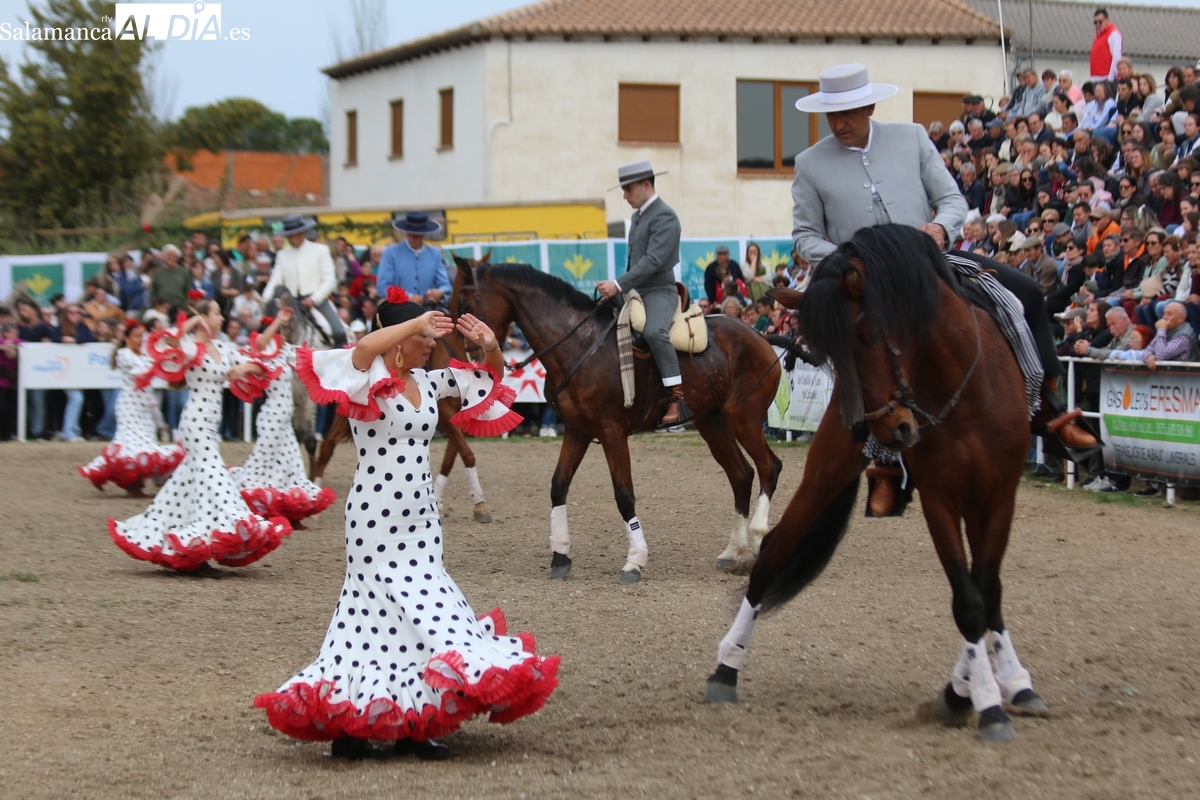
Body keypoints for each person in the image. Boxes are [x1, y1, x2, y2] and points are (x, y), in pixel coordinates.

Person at [255, 288, 556, 760]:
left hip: (421, 518)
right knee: (371, 613)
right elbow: (363, 348)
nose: (432, 344)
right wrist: (413, 324)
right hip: (375, 517)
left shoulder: (429, 381)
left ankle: (416, 720)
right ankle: (354, 724)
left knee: (411, 616)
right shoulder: (365, 376)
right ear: (399, 338)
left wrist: (491, 346)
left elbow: (488, 381)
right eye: (424, 336)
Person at [791, 63, 1097, 515]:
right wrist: (846, 258)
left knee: (1024, 296)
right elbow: (803, 237)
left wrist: (938, 227)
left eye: (849, 113)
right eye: (832, 115)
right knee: (872, 356)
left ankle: (1046, 405)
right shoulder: (809, 162)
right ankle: (884, 467)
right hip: (861, 283)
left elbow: (953, 200)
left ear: (870, 106)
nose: (840, 124)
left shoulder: (912, 137)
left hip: (926, 262)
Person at [107, 296, 292, 573]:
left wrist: (242, 368)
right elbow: (166, 341)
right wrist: (194, 321)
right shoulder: (191, 348)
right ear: (204, 318)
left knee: (188, 482)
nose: (222, 318)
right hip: (195, 424)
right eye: (217, 313)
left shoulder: (222, 347)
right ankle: (204, 541)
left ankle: (173, 539)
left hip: (209, 425)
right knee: (215, 481)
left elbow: (261, 364)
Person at [597, 160, 687, 424]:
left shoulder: (665, 216)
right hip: (635, 289)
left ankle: (676, 398)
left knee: (653, 332)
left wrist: (618, 283)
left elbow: (654, 261)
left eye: (628, 189)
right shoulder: (638, 216)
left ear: (646, 185)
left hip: (660, 290)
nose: (625, 196)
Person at [229, 307, 336, 526]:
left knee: (292, 465)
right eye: (280, 330)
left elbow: (313, 356)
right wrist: (278, 319)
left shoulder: (286, 351)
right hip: (272, 419)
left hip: (284, 420)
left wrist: (341, 354)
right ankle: (246, 502)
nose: (284, 333)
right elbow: (260, 343)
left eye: (285, 329)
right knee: (263, 465)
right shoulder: (264, 355)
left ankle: (291, 513)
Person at [79, 320, 185, 495]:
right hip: (129, 407)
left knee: (145, 443)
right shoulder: (124, 354)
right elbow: (140, 372)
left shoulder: (145, 356)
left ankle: (133, 480)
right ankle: (126, 480)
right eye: (136, 336)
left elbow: (154, 369)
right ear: (127, 338)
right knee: (129, 443)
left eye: (141, 337)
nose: (139, 340)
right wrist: (158, 358)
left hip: (144, 407)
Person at [262, 214, 345, 347]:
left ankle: (342, 359)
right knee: (267, 328)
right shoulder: (282, 255)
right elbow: (275, 280)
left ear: (302, 233)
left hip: (318, 300)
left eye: (293, 234)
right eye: (288, 235)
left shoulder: (320, 250)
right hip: (291, 302)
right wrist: (265, 298)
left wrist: (314, 299)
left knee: (338, 331)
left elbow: (330, 280)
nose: (290, 238)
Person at [375, 212, 453, 310]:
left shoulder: (434, 254)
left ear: (424, 234)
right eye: (411, 234)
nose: (414, 238)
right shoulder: (391, 253)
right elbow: (382, 287)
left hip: (428, 310)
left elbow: (446, 286)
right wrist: (408, 297)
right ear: (406, 232)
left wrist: (439, 292)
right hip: (399, 310)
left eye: (418, 235)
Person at [149, 244, 191, 312]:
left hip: (179, 308)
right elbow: (153, 291)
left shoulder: (184, 272)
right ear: (164, 257)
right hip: (161, 309)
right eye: (168, 255)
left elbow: (188, 291)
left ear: (177, 258)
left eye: (174, 256)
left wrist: (185, 306)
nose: (171, 258)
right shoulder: (157, 272)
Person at [1090, 8, 1122, 83]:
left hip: (1106, 77)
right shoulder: (1098, 36)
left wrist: (1111, 77)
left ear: (1107, 20)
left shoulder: (1114, 34)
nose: (1097, 24)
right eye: (1095, 22)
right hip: (1097, 77)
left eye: (1100, 22)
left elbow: (1117, 56)